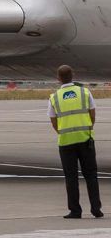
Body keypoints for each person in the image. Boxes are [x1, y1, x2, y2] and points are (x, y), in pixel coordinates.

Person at [49, 65, 103, 219]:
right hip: (85, 139)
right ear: (73, 75)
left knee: (71, 177)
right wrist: (87, 128)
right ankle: (96, 209)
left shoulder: (54, 97)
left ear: (58, 78)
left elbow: (53, 121)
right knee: (91, 175)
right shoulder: (85, 93)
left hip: (66, 142)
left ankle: (75, 210)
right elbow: (92, 114)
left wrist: (63, 131)